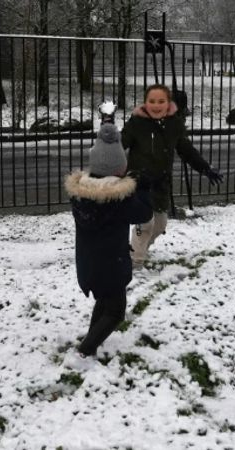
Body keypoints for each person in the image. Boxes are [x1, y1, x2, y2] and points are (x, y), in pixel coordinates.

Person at [63, 106, 153, 368]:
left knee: (105, 302)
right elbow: (144, 214)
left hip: (89, 263)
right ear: (119, 169)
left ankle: (91, 342)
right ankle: (83, 352)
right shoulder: (119, 198)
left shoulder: (81, 193)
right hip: (111, 265)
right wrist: (143, 188)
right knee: (115, 312)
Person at [121, 84, 223, 267]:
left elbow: (187, 150)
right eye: (152, 101)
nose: (156, 105)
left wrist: (205, 168)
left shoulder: (174, 124)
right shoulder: (136, 123)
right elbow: (120, 145)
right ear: (146, 103)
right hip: (139, 183)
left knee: (159, 225)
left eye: (161, 101)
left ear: (168, 103)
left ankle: (138, 249)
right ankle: (134, 263)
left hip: (160, 183)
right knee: (142, 225)